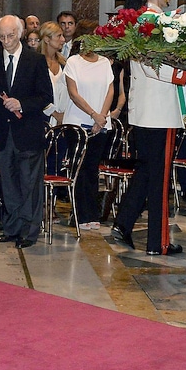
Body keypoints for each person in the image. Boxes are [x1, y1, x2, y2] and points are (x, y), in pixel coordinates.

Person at [111, 0, 186, 256]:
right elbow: (156, 67)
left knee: (147, 172)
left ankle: (123, 224)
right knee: (160, 179)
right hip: (160, 111)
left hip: (145, 112)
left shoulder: (142, 19)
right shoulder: (152, 21)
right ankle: (158, 241)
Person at [0, 15, 53, 249]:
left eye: (10, 35)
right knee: (8, 184)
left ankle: (29, 231)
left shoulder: (35, 60)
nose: (6, 40)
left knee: (29, 185)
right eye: (2, 36)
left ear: (19, 34)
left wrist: (21, 104)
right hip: (2, 132)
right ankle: (12, 228)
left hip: (27, 131)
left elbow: (45, 96)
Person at [63, 36, 114, 230]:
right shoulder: (73, 62)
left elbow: (110, 91)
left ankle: (93, 214)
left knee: (92, 170)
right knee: (80, 170)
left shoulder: (104, 62)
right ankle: (80, 215)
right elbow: (73, 93)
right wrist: (93, 114)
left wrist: (101, 117)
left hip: (101, 123)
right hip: (78, 123)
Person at [39, 21, 68, 127]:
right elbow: (35, 93)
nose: (63, 40)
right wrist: (55, 114)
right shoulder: (35, 63)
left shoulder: (64, 63)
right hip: (42, 121)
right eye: (59, 36)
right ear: (47, 39)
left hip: (63, 121)